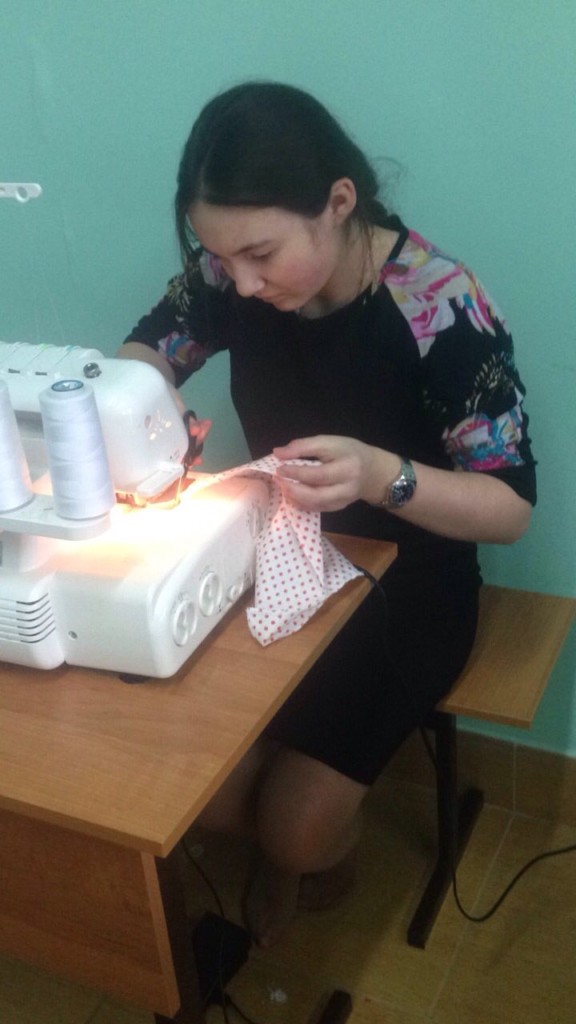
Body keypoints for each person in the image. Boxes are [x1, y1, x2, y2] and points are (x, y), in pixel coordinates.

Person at [118, 81, 536, 947]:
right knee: (194, 782)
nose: (240, 281)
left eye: (260, 254)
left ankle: (308, 853)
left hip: (414, 584)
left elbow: (509, 509)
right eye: (220, 257)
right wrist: (147, 411)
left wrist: (383, 476)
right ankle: (290, 833)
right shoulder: (229, 278)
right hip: (288, 548)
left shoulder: (439, 305)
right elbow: (143, 354)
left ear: (339, 203)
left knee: (293, 830)